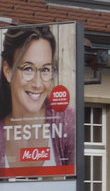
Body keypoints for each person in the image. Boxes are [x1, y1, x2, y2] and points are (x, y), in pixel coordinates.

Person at [0, 25, 74, 171]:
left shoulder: (66, 122)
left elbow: (75, 187)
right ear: (8, 70)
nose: (38, 83)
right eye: (28, 68)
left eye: (45, 69)